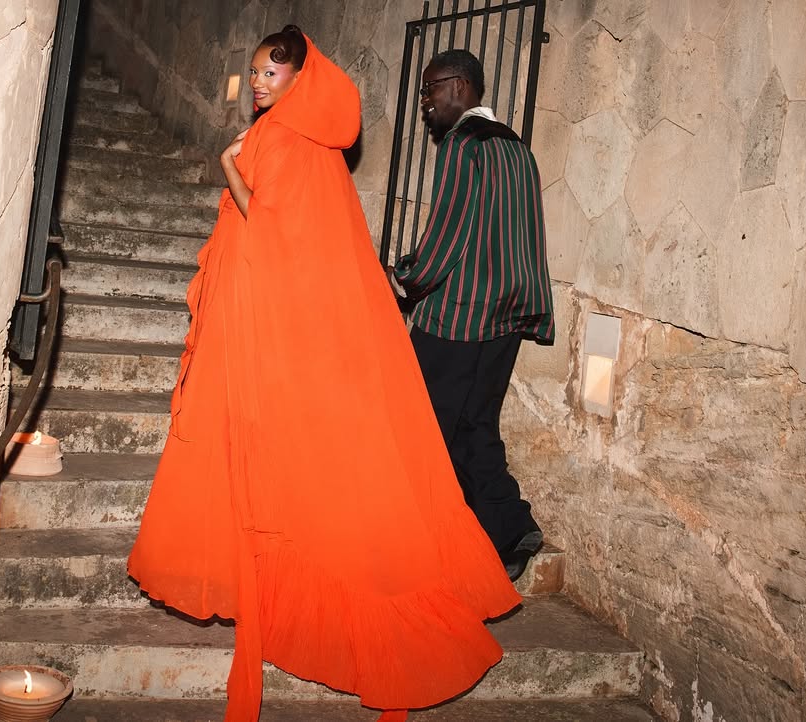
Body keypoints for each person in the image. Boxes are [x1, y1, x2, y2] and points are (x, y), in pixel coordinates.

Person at [127, 27, 521, 722]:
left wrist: (229, 166)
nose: (256, 84)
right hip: (309, 329)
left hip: (284, 335)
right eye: (253, 73)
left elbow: (274, 231)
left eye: (268, 75)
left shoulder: (284, 139)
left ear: (298, 81)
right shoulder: (312, 143)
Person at [389, 49, 554, 584]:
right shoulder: (518, 150)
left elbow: (449, 234)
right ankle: (510, 529)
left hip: (457, 319)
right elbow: (525, 238)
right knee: (474, 427)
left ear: (458, 86)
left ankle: (418, 541)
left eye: (429, 89)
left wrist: (406, 278)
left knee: (418, 426)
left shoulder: (463, 145)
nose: (425, 102)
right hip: (506, 320)